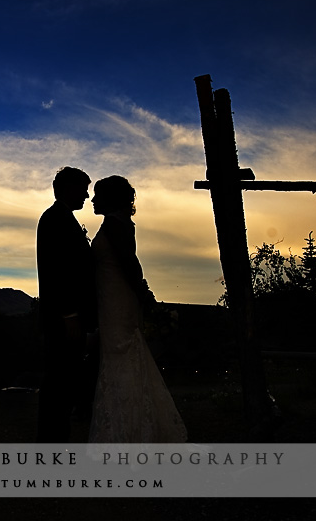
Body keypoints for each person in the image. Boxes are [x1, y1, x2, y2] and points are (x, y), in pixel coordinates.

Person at [88, 176, 187, 443]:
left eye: (98, 196)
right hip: (114, 299)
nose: (93, 200)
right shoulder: (120, 223)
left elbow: (130, 265)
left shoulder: (113, 224)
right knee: (123, 356)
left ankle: (126, 428)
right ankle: (131, 423)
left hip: (116, 303)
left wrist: (144, 296)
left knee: (121, 355)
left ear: (110, 199)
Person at [36, 167, 97, 442]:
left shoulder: (61, 218)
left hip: (66, 317)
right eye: (83, 188)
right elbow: (58, 272)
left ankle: (56, 440)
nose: (86, 195)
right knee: (58, 385)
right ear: (67, 188)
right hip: (63, 319)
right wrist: (70, 314)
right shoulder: (56, 219)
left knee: (62, 385)